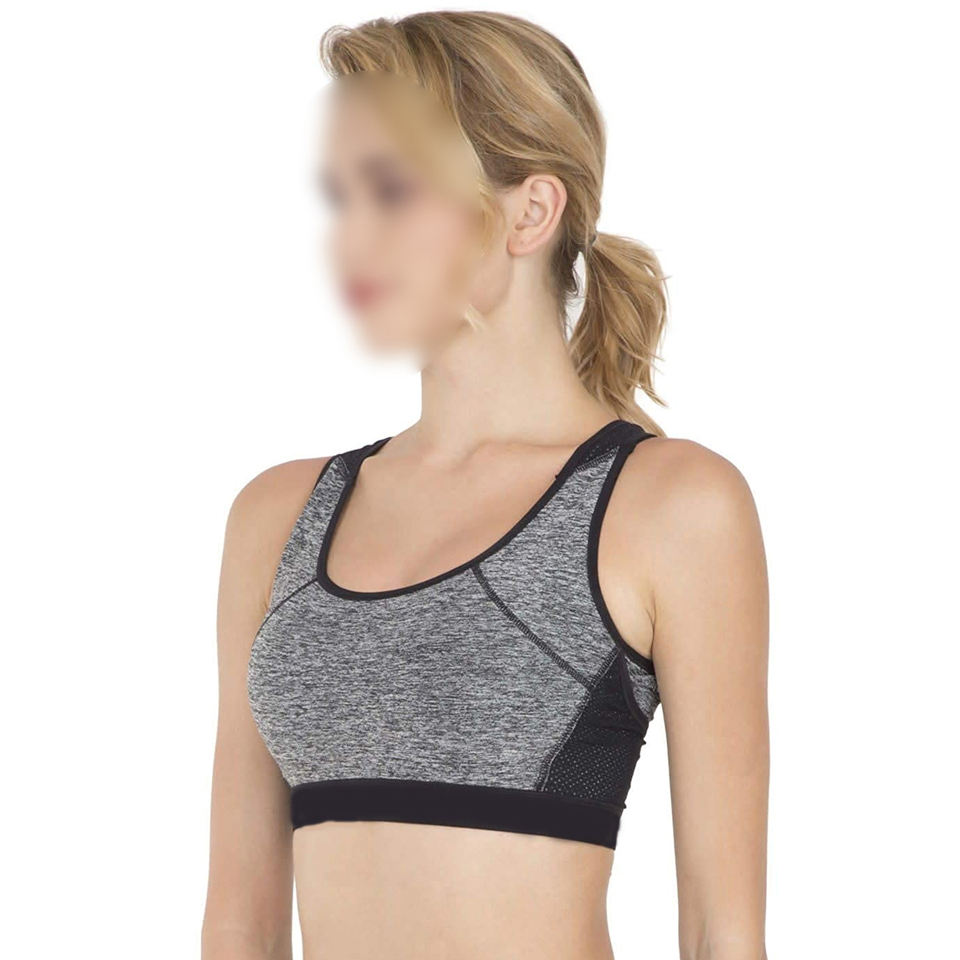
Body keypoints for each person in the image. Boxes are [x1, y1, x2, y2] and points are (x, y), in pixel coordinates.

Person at [201, 11, 769, 960]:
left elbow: (723, 932)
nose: (350, 237)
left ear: (529, 212)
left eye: (392, 190)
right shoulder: (278, 516)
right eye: (340, 197)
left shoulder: (669, 506)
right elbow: (237, 923)